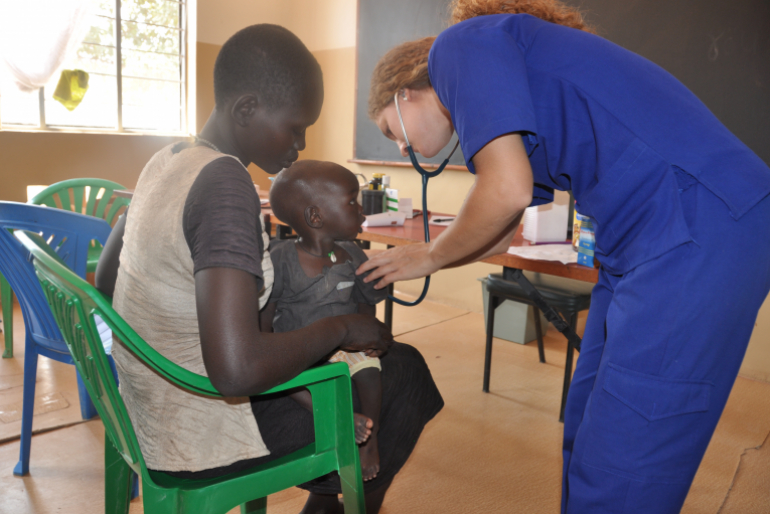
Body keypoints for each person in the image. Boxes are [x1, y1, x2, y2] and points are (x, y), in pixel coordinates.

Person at [359, 1, 770, 512]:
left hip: (696, 224)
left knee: (627, 456)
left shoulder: (457, 48)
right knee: (585, 427)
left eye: (389, 130)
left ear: (405, 94)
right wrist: (431, 255)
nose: (401, 149)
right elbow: (502, 227)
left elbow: (505, 192)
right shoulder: (513, 103)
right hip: (640, 242)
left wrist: (431, 257)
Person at [106, 24, 443, 514]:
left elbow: (105, 279)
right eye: (295, 127)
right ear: (246, 110)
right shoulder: (226, 184)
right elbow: (237, 371)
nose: (299, 145)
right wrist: (342, 326)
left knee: (370, 368)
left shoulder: (169, 158)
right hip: (197, 427)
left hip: (141, 402)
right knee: (405, 372)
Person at [262, 160, 389, 482]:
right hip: (299, 346)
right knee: (288, 376)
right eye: (351, 201)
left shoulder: (352, 254)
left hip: (344, 345)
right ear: (315, 216)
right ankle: (340, 417)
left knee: (370, 372)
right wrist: (271, 349)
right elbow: (264, 319)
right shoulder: (281, 259)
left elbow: (364, 304)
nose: (361, 210)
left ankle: (369, 441)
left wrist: (368, 337)